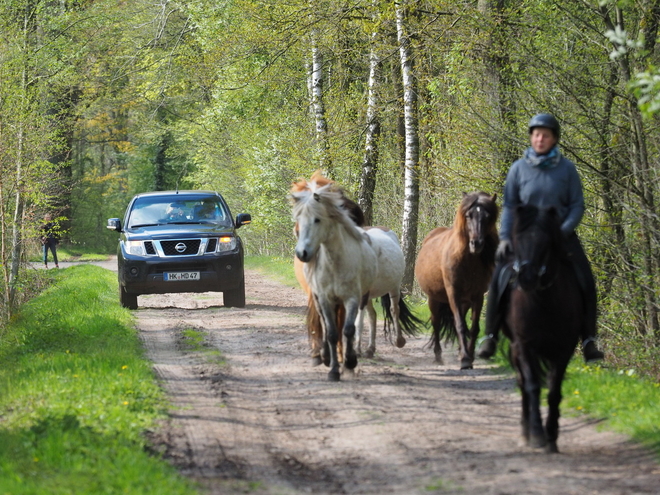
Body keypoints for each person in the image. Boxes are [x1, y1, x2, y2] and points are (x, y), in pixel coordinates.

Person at [478, 113, 604, 363]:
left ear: (554, 139)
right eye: (536, 134)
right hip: (524, 238)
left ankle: (589, 340)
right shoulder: (518, 169)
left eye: (545, 135)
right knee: (499, 278)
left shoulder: (567, 169)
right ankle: (490, 335)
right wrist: (504, 238)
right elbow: (511, 206)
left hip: (561, 235)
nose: (540, 139)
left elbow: (577, 205)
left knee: (586, 279)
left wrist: (562, 231)